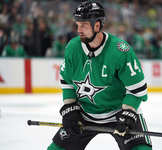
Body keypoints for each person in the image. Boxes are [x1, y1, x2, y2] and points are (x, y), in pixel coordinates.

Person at [47, 1, 152, 150]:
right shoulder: (72, 47)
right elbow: (67, 80)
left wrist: (129, 110)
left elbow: (138, 88)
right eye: (77, 25)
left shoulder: (120, 51)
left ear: (97, 25)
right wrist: (70, 105)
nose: (79, 30)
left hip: (119, 113)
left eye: (83, 25)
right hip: (84, 114)